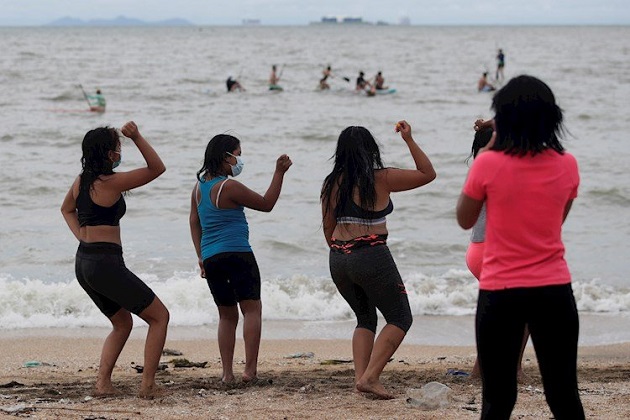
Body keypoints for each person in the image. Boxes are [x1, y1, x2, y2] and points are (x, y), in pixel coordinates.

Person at [457, 75, 585, 419]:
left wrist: (487, 148)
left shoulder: (487, 163)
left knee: (497, 400)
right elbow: (556, 222)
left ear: (503, 118)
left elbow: (465, 219)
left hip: (501, 291)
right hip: (554, 290)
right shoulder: (567, 164)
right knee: (563, 396)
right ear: (552, 118)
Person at [321, 121, 436, 399]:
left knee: (364, 318)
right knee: (400, 317)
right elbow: (427, 173)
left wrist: (344, 253)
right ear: (370, 150)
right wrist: (409, 139)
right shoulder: (381, 178)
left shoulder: (331, 183)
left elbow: (327, 227)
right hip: (370, 255)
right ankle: (371, 377)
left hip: (338, 258)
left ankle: (362, 380)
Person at [60, 121, 169, 399]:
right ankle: (147, 386)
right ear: (108, 153)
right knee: (160, 317)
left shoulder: (81, 181)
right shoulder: (112, 182)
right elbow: (157, 168)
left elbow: (66, 209)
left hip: (84, 262)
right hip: (105, 264)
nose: (121, 151)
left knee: (122, 323)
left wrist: (82, 238)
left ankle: (103, 384)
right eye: (118, 146)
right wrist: (137, 136)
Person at [189, 134, 292, 385]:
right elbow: (267, 204)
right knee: (252, 309)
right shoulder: (229, 187)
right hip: (237, 253)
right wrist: (279, 172)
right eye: (238, 154)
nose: (239, 160)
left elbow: (194, 221)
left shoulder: (198, 189)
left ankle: (227, 374)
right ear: (226, 157)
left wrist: (201, 256)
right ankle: (250, 371)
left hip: (212, 258)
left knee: (226, 316)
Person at [466, 120, 528, 381]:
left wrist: (489, 125)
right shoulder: (503, 169)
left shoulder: (477, 168)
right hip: (496, 249)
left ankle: (481, 369)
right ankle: (512, 367)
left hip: (476, 251)